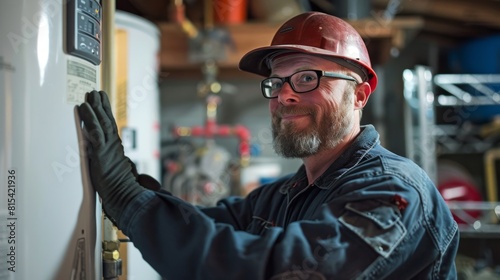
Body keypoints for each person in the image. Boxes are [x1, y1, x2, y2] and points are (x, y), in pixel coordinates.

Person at [78, 11, 459, 279]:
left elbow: (277, 270)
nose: (285, 96)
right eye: (276, 83)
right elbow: (204, 227)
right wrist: (131, 184)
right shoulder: (280, 197)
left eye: (307, 78)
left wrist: (127, 198)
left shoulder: (393, 192)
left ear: (359, 95)